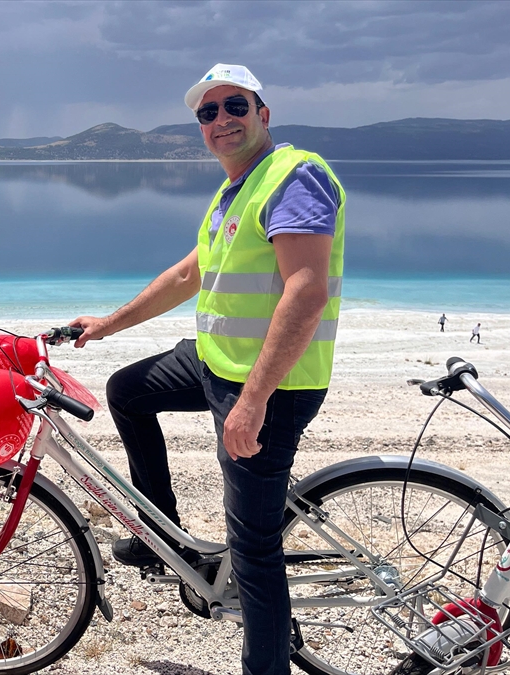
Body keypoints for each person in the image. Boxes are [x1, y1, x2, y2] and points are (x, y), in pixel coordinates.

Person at [69, 64, 344, 675]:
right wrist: (106, 326)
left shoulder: (293, 176)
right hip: (214, 362)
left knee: (253, 550)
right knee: (128, 391)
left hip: (271, 383)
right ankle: (157, 537)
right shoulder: (233, 191)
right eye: (207, 112)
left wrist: (252, 402)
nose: (221, 120)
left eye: (235, 106)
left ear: (263, 114)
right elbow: (186, 277)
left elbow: (305, 292)